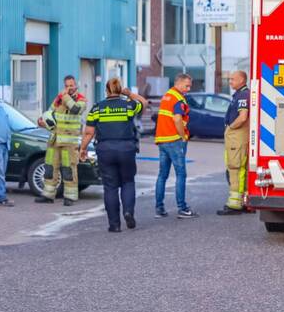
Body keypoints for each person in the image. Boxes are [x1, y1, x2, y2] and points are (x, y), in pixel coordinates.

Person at [79, 78, 147, 232]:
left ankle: (114, 225)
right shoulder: (129, 105)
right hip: (126, 149)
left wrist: (82, 149)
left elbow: (89, 132)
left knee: (110, 187)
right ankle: (128, 212)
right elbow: (144, 103)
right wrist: (130, 94)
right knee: (128, 182)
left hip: (105, 150)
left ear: (106, 90)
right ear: (120, 89)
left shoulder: (97, 108)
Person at [36, 75, 87, 206]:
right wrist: (43, 122)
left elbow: (75, 110)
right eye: (66, 86)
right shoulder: (59, 98)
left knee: (68, 169)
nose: (69, 88)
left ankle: (70, 197)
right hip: (54, 140)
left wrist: (64, 96)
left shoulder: (81, 99)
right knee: (50, 167)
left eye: (71, 85)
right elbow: (50, 113)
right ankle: (48, 194)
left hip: (69, 143)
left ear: (76, 86)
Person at [154, 73, 198, 219]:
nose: (188, 88)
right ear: (178, 83)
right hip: (174, 139)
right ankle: (182, 208)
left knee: (162, 175)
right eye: (186, 85)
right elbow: (178, 118)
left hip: (162, 140)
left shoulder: (167, 95)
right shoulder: (178, 99)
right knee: (181, 174)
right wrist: (183, 136)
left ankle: (159, 209)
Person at [218, 70, 250, 215]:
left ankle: (234, 204)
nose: (230, 82)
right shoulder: (241, 94)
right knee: (241, 169)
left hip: (237, 137)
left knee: (235, 169)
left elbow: (243, 117)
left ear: (242, 80)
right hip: (239, 137)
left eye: (233, 79)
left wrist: (231, 127)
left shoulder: (243, 95)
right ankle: (243, 201)